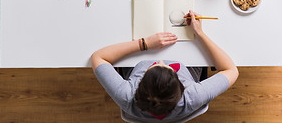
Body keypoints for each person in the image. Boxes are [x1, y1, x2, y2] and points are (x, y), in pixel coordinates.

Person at [91, 10, 239, 122]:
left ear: (139, 86)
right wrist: (199, 33)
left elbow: (98, 57)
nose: (161, 61)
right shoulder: (192, 96)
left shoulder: (126, 96)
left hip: (139, 57)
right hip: (188, 64)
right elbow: (231, 70)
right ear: (182, 87)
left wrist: (144, 43)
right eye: (166, 67)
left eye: (154, 66)